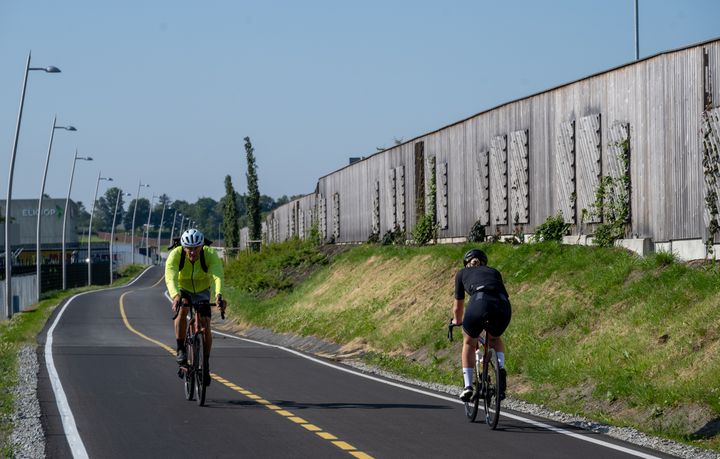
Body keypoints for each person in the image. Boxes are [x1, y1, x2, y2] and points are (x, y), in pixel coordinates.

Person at [165, 228, 226, 384]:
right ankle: (180, 348)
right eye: (189, 249)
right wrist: (175, 296)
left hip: (202, 289)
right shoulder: (176, 255)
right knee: (182, 310)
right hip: (182, 288)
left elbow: (217, 276)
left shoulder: (209, 254)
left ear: (202, 246)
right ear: (183, 247)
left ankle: (205, 363)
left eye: (196, 248)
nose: (192, 252)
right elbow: (170, 277)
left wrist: (219, 295)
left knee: (205, 323)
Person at [452, 248, 511, 402]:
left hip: (479, 302)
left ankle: (468, 387)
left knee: (469, 342)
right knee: (495, 339)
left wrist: (456, 321)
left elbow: (458, 307)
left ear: (466, 264)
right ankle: (501, 369)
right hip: (502, 305)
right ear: (485, 263)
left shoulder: (462, 274)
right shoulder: (494, 272)